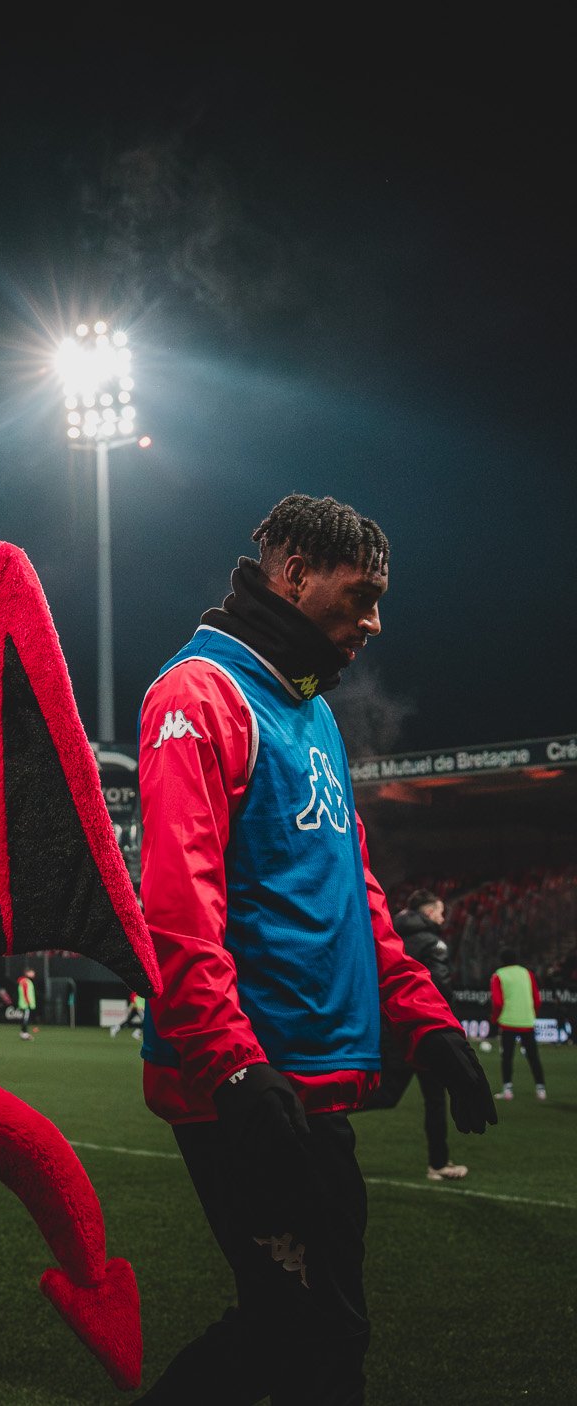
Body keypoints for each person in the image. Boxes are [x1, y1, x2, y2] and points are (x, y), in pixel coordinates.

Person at [135, 495, 495, 1403]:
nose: (374, 621)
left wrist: (424, 1020)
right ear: (294, 574)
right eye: (360, 595)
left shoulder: (309, 711)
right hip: (246, 1086)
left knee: (301, 1329)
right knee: (314, 1335)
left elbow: (354, 895)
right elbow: (178, 911)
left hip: (305, 1084)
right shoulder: (198, 695)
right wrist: (233, 1067)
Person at [377, 890, 469, 1179]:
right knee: (431, 1098)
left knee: (393, 1093)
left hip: (397, 1028)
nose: (443, 918)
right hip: (426, 1030)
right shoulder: (433, 943)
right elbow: (440, 988)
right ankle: (437, 1164)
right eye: (440, 912)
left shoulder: (392, 938)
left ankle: (439, 1163)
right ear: (429, 913)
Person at [491, 950, 547, 1101]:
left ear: (501, 960)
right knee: (533, 1056)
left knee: (507, 1057)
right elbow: (537, 999)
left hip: (508, 1021)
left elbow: (497, 1002)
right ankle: (541, 1089)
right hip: (527, 1021)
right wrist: (532, 1014)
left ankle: (507, 1090)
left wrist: (495, 1019)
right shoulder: (527, 974)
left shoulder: (498, 975)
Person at [17, 968, 38, 1039]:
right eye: (32, 972)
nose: (33, 974)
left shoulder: (26, 981)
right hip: (25, 1004)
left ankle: (24, 1033)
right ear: (27, 973)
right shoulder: (25, 981)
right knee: (25, 1019)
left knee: (25, 1018)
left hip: (26, 1003)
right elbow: (25, 992)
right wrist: (28, 1002)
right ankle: (24, 1033)